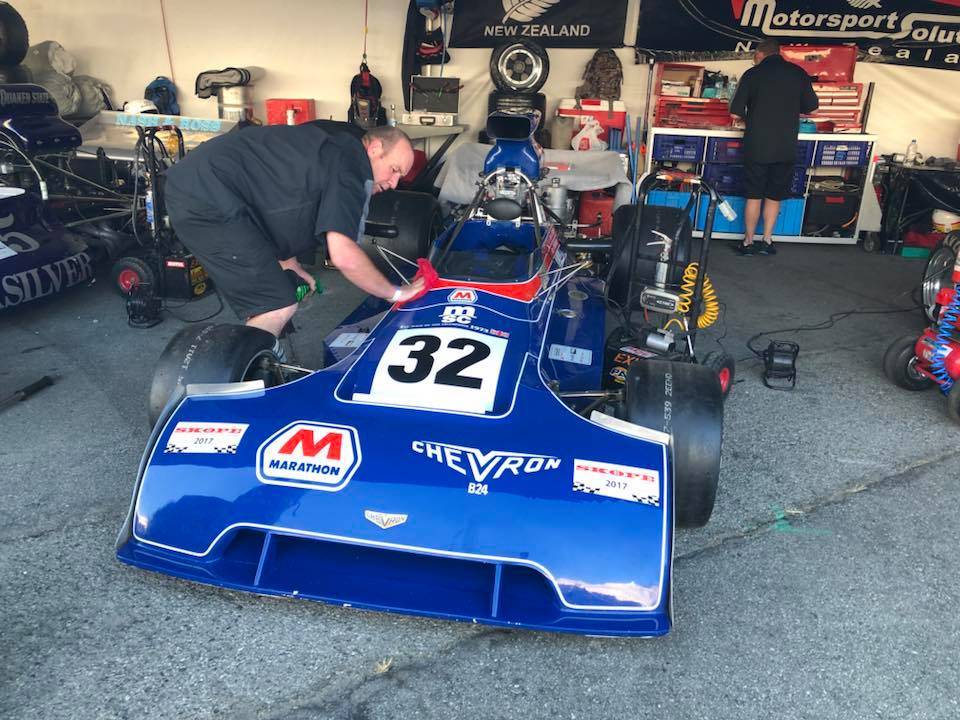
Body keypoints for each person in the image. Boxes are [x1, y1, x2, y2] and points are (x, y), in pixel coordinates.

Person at [163, 121, 423, 337]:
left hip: (205, 183)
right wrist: (396, 293)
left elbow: (286, 188)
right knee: (275, 305)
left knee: (279, 292)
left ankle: (262, 361)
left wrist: (290, 263)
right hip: (209, 197)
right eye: (394, 170)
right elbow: (344, 256)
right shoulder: (354, 165)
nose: (393, 183)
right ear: (375, 148)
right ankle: (244, 379)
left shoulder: (342, 139)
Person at [729, 39, 818, 255]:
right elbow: (813, 109)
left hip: (757, 144)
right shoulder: (798, 73)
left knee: (754, 194)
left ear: (760, 54)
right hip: (785, 145)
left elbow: (735, 113)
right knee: (774, 194)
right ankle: (767, 241)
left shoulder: (753, 74)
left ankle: (748, 242)